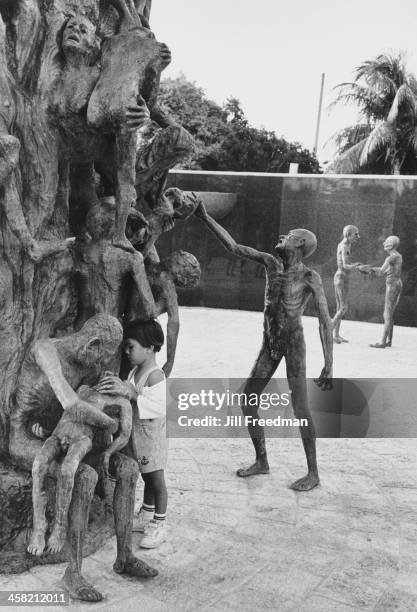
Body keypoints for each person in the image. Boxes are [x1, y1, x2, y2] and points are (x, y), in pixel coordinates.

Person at [195, 204, 333, 490]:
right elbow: (233, 247)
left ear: (300, 243)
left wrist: (329, 363)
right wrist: (204, 215)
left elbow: (324, 322)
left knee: (301, 408)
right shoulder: (271, 263)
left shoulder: (310, 277)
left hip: (293, 344)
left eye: (290, 234)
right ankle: (262, 460)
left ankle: (313, 473)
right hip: (270, 342)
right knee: (248, 398)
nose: (283, 235)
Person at [97, 318, 168, 547]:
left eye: (132, 347)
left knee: (156, 480)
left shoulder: (155, 375)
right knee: (146, 475)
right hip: (138, 437)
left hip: (152, 437)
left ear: (149, 347)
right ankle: (146, 515)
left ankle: (160, 523)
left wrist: (132, 393)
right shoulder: (135, 371)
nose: (127, 352)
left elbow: (158, 407)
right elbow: (127, 394)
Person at [359, 235, 403, 348]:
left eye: (386, 242)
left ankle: (383, 342)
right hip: (397, 283)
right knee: (390, 313)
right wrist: (371, 269)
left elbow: (381, 272)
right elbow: (386, 270)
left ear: (390, 245)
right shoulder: (398, 256)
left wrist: (368, 270)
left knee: (387, 314)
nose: (384, 243)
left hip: (392, 285)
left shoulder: (390, 258)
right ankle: (389, 341)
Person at [332, 225, 362, 343]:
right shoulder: (344, 246)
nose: (357, 237)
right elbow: (345, 265)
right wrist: (357, 266)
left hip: (343, 277)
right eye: (355, 235)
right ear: (348, 235)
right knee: (343, 307)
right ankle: (328, 331)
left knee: (340, 307)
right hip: (341, 277)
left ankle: (336, 335)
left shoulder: (347, 244)